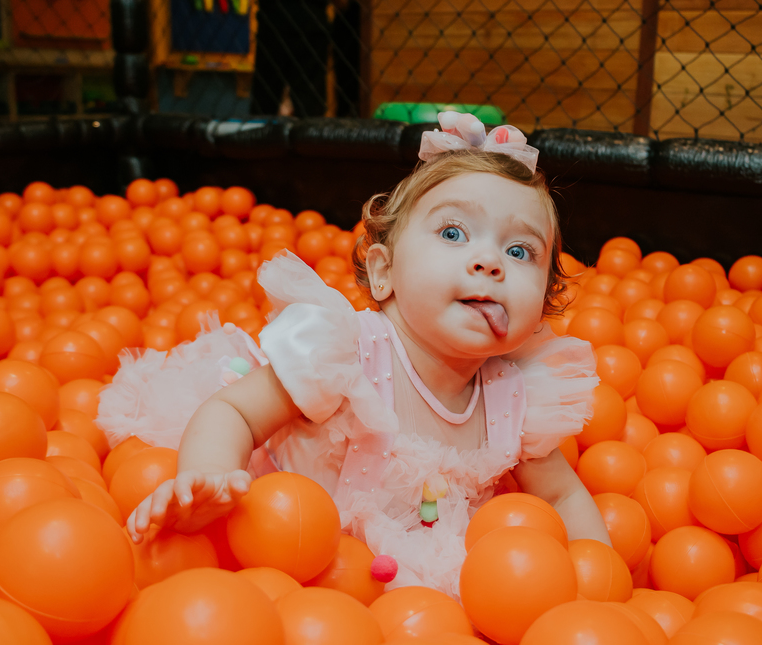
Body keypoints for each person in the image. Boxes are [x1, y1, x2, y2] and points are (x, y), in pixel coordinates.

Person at [98, 112, 611, 598]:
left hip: (401, 584)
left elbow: (561, 496)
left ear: (541, 307)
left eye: (520, 251)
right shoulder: (343, 355)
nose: (489, 262)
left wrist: (598, 574)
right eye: (453, 233)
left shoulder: (516, 400)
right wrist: (209, 475)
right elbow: (235, 412)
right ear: (384, 272)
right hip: (282, 533)